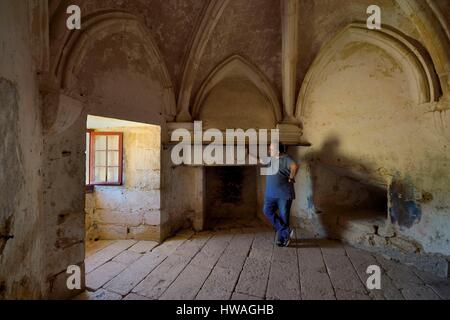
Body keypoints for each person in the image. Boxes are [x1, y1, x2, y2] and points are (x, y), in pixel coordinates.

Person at [263, 142, 299, 247]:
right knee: (267, 211)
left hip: (284, 194)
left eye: (271, 149)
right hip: (270, 194)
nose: (269, 151)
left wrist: (291, 177)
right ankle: (285, 231)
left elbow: (294, 166)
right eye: (269, 149)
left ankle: (283, 238)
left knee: (284, 216)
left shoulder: (286, 158)